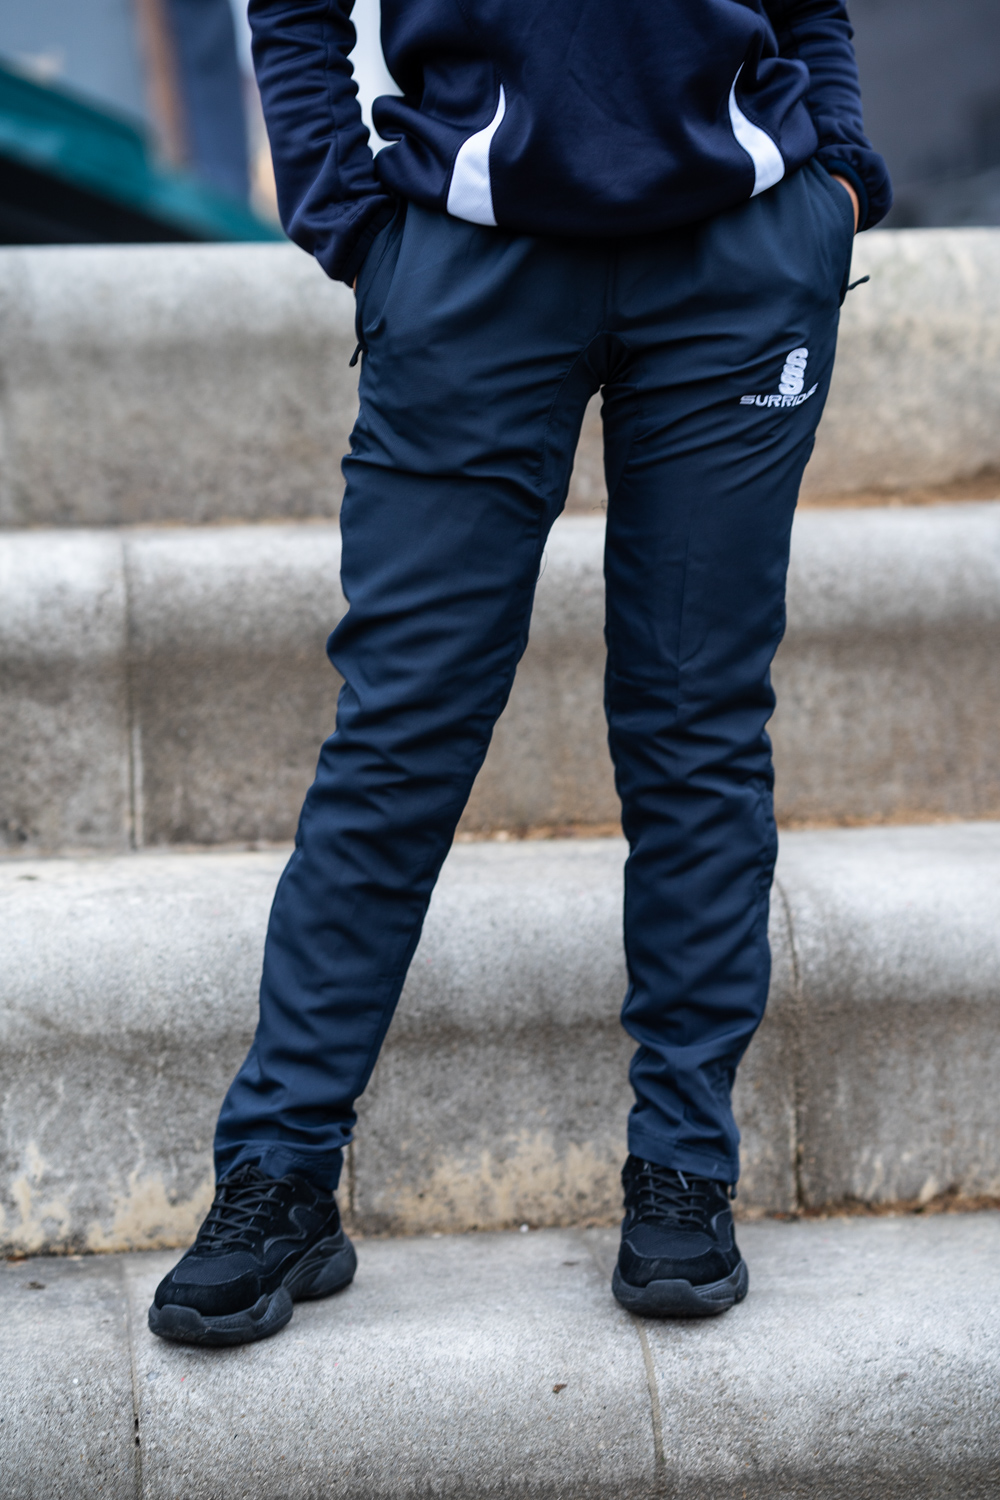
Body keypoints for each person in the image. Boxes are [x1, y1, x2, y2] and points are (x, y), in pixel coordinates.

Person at [149, 0, 890, 1347]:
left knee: (696, 723)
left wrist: (836, 180)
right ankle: (280, 1172)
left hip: (737, 264)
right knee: (400, 733)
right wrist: (351, 221)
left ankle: (683, 1168)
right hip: (468, 265)